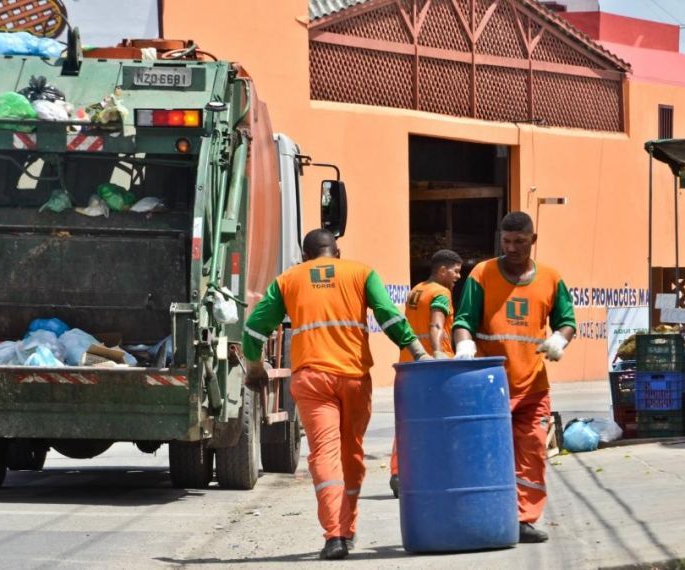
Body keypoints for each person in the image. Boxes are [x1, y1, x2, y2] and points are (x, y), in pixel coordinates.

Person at [242, 228, 432, 560]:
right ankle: (349, 526)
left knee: (324, 455)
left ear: (305, 256)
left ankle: (334, 536)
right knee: (352, 452)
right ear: (337, 251)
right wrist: (418, 352)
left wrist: (255, 365)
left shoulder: (289, 279)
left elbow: (256, 325)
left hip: (313, 380)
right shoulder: (361, 272)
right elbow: (388, 316)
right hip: (354, 377)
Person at [452, 211, 576, 544]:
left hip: (533, 384)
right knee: (486, 454)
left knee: (533, 451)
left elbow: (567, 320)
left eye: (520, 242)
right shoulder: (483, 274)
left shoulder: (550, 278)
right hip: (490, 386)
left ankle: (524, 519)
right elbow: (464, 320)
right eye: (506, 242)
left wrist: (560, 339)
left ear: (532, 241)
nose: (512, 248)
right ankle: (485, 514)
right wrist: (464, 347)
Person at [389, 249, 463, 497]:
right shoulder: (441, 293)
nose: (458, 276)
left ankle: (399, 473)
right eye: (455, 270)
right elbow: (436, 324)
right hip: (433, 365)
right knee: (441, 421)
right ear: (442, 270)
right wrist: (437, 352)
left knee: (409, 421)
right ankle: (437, 471)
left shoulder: (417, 289)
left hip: (408, 363)